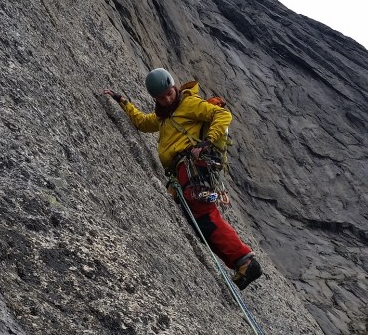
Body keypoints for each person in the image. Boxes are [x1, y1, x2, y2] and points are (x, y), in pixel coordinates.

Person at [104, 68, 262, 290]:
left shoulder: (188, 104)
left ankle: (245, 261)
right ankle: (240, 264)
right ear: (155, 98)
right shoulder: (163, 118)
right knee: (199, 222)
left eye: (169, 92)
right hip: (182, 172)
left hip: (192, 166)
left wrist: (207, 141)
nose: (167, 99)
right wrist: (122, 101)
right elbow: (142, 122)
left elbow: (222, 115)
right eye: (161, 97)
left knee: (204, 214)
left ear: (174, 87)